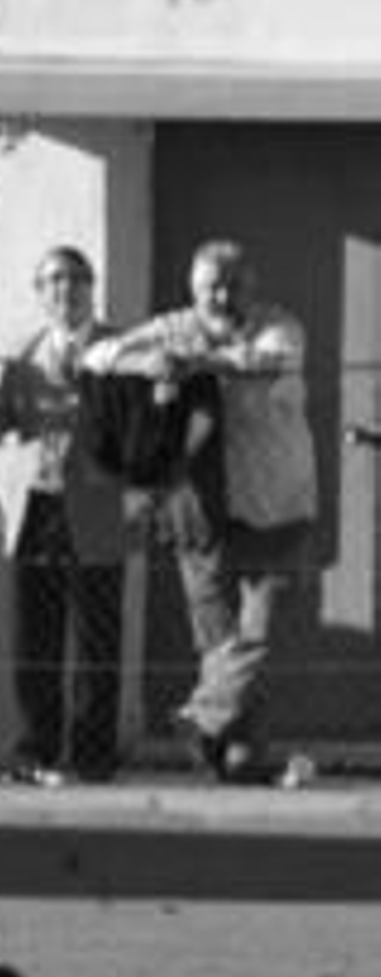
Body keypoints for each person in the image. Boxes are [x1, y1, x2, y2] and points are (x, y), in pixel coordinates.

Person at [81, 240, 315, 783]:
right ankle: (239, 759)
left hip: (274, 503)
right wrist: (153, 361)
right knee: (218, 642)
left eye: (232, 283)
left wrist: (193, 363)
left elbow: (266, 361)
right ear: (193, 288)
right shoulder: (174, 325)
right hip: (196, 507)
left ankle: (200, 718)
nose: (222, 295)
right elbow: (100, 356)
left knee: (259, 632)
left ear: (251, 285)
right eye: (211, 284)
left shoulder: (281, 326)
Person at [0, 247, 128, 786]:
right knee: (35, 638)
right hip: (35, 506)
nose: (66, 290)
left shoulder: (121, 348)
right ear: (40, 292)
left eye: (76, 279)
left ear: (92, 287)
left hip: (98, 505)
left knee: (96, 637)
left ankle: (93, 756)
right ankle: (35, 750)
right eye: (54, 280)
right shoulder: (22, 355)